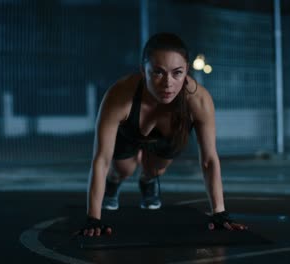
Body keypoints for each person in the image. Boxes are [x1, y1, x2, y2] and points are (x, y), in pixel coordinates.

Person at [81, 32, 247, 236]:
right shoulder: (119, 96)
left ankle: (148, 181)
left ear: (186, 70)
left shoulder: (199, 100)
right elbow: (101, 160)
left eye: (177, 73)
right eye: (158, 72)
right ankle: (114, 184)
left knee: (154, 170)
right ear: (144, 71)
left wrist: (219, 213)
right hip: (130, 133)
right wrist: (93, 218)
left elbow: (209, 160)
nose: (168, 83)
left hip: (168, 136)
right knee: (121, 170)